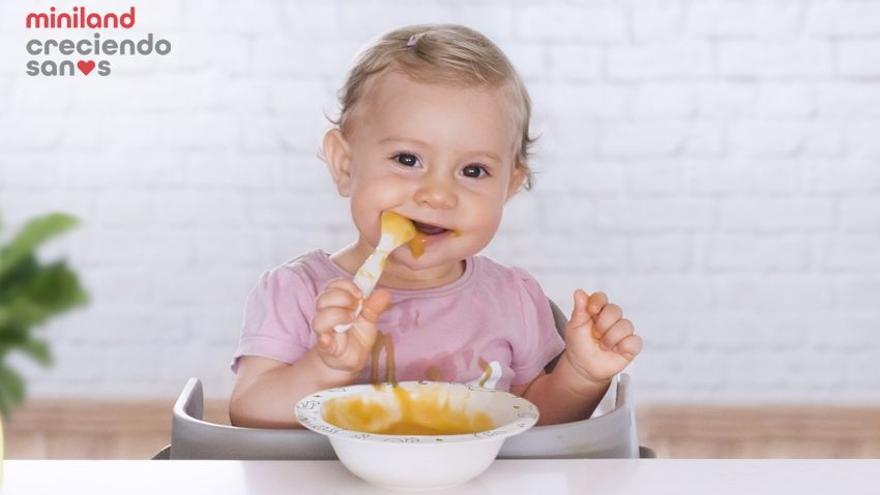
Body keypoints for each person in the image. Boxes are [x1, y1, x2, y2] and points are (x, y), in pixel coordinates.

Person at [229, 24, 642, 429]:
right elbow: (248, 411)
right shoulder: (296, 292)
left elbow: (537, 422)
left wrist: (583, 375)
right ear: (345, 164)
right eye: (408, 160)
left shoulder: (513, 299)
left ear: (509, 186)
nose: (437, 194)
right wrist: (322, 367)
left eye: (473, 170)